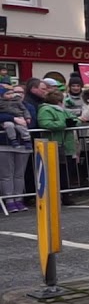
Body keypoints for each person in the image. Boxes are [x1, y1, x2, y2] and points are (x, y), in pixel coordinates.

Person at [0, 84, 33, 213]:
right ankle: (9, 201)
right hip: (3, 144)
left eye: (16, 92)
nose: (14, 94)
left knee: (19, 174)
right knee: (6, 175)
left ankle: (19, 199)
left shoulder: (25, 105)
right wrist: (13, 118)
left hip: (23, 144)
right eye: (10, 92)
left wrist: (24, 119)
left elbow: (32, 120)